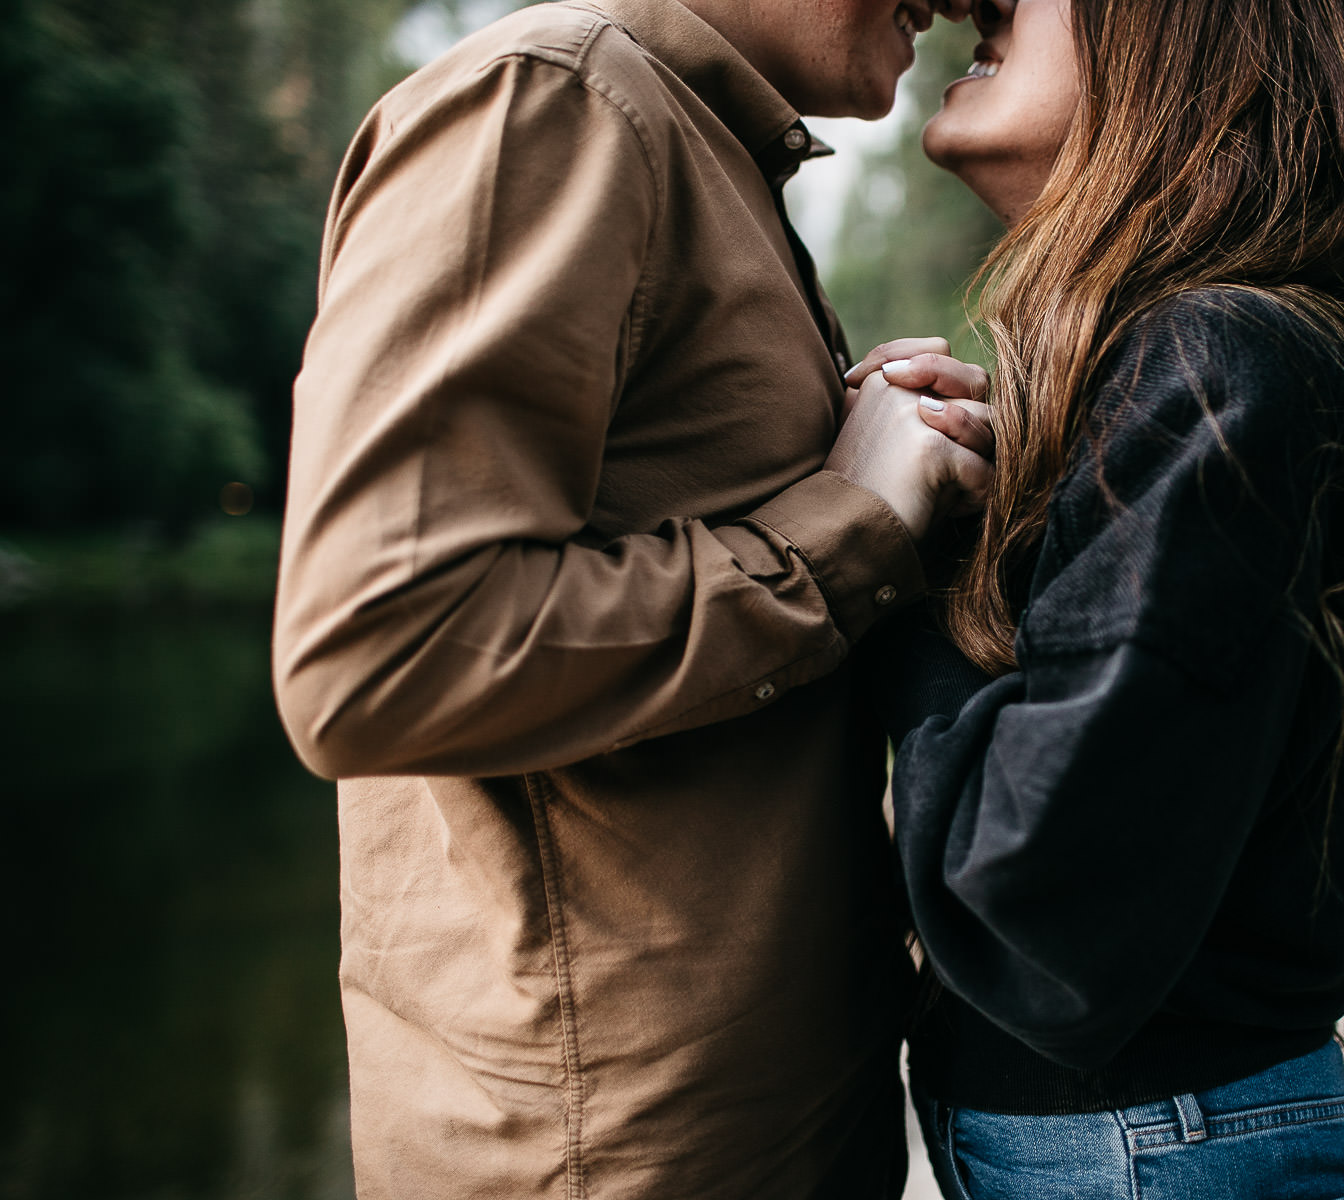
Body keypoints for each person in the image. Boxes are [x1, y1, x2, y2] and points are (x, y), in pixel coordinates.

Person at [270, 1, 989, 1197]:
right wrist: (836, 533)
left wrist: (925, 499)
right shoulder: (559, 104)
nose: (971, 2)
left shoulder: (689, 144)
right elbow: (377, 652)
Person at [844, 0, 1344, 1195]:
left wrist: (899, 558)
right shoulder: (1221, 361)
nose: (968, 6)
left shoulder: (1213, 362)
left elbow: (1039, 915)